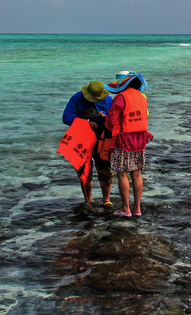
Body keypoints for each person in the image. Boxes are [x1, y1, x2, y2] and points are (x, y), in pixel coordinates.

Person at [104, 72, 154, 217]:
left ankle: (125, 209)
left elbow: (111, 121)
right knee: (137, 175)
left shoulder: (120, 97)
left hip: (123, 139)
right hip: (140, 138)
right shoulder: (142, 97)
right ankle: (137, 208)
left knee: (122, 175)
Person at [62, 80, 114, 210]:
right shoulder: (77, 98)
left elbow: (114, 116)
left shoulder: (108, 100)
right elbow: (66, 117)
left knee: (105, 169)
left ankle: (106, 200)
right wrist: (86, 123)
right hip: (81, 138)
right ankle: (88, 199)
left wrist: (105, 116)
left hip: (102, 139)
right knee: (84, 170)